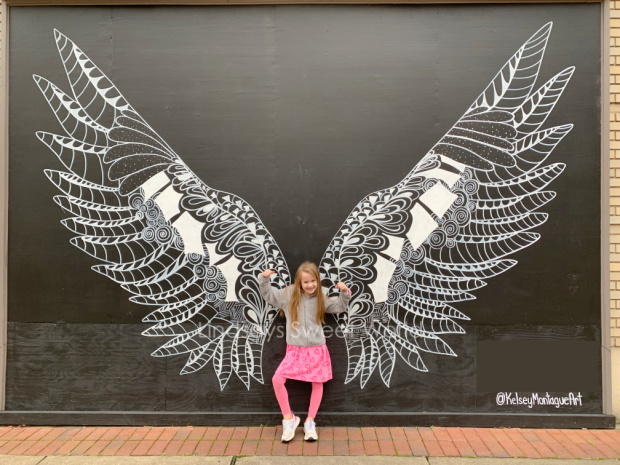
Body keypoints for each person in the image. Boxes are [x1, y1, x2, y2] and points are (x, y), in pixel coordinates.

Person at [259, 261, 351, 443]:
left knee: (317, 383)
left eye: (313, 281)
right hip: (295, 349)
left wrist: (345, 293)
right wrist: (264, 279)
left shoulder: (321, 298)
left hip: (316, 349)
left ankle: (310, 422)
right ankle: (289, 418)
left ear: (317, 280)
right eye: (306, 282)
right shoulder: (288, 295)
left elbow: (339, 307)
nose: (310, 285)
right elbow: (270, 296)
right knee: (277, 380)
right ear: (299, 282)